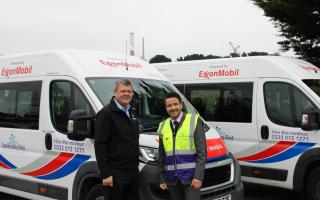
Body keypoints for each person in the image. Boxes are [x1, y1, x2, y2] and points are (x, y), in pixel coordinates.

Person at [94, 79, 140, 200]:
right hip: (115, 173)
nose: (126, 94)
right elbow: (100, 145)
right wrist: (106, 174)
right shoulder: (106, 113)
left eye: (129, 91)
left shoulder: (132, 111)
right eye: (123, 91)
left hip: (132, 171)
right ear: (115, 93)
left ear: (132, 94)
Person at [157, 92, 207, 200]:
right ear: (166, 108)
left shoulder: (194, 121)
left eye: (175, 104)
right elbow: (161, 156)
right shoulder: (162, 126)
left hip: (191, 179)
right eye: (169, 105)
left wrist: (198, 177)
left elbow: (202, 152)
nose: (173, 108)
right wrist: (162, 178)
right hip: (171, 180)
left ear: (181, 105)